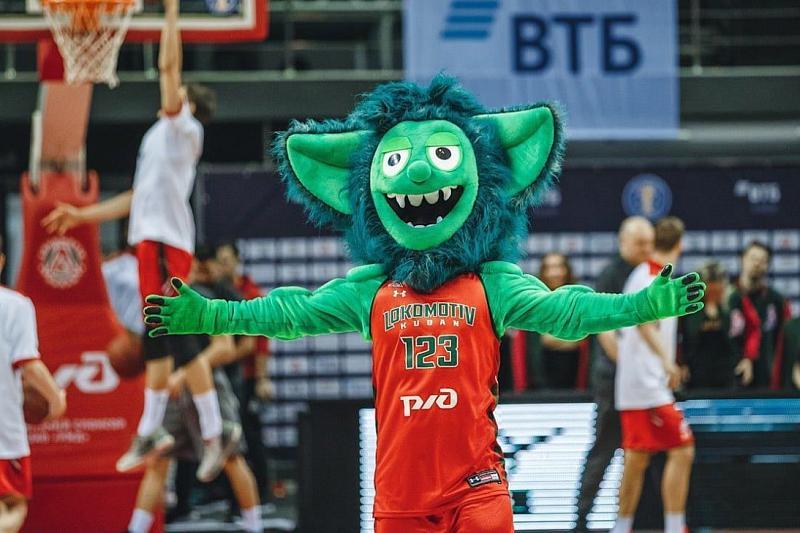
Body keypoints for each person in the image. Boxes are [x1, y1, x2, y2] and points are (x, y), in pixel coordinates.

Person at [140, 77, 705, 532]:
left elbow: (568, 310)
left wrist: (641, 306)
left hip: (478, 487)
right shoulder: (372, 289)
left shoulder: (490, 283)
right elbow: (291, 312)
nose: (417, 173)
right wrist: (212, 314)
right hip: (400, 494)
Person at [40, 0, 231, 482]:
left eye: (177, 91)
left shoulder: (182, 127)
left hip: (165, 244)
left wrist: (171, 12)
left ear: (187, 101)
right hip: (153, 242)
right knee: (156, 339)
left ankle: (215, 431)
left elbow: (168, 66)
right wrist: (81, 215)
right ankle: (151, 429)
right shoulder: (159, 138)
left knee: (177, 336)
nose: (170, 90)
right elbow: (135, 197)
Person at [127, 255, 260, 533]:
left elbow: (225, 348)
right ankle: (136, 529)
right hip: (172, 389)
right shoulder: (155, 301)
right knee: (158, 459)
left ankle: (254, 526)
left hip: (208, 385)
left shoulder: (202, 296)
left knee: (231, 457)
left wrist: (185, 374)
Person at [612, 216, 696, 533]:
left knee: (637, 459)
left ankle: (623, 527)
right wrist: (668, 363)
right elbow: (645, 324)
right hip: (645, 386)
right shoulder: (648, 276)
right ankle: (673, 526)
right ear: (680, 244)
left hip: (641, 383)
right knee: (682, 448)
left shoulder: (650, 274)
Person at [575, 216, 654, 530]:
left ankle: (640, 520)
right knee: (604, 450)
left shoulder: (651, 274)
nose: (647, 249)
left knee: (645, 453)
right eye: (640, 243)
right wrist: (631, 366)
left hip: (645, 381)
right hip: (613, 379)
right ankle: (581, 520)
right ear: (624, 243)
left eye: (650, 243)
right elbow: (604, 330)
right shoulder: (610, 275)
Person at [0, 238, 66, 533]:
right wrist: (56, 399)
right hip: (4, 432)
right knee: (14, 504)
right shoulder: (14, 305)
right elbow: (29, 364)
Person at [216, 241, 273, 500]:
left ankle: (262, 493)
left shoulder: (251, 293)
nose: (222, 267)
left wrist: (261, 378)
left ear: (237, 261)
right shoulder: (218, 292)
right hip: (227, 376)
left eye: (226, 261)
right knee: (229, 436)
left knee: (249, 435)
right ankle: (232, 497)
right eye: (219, 262)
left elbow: (259, 343)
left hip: (247, 378)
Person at [729, 241, 793, 389]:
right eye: (753, 258)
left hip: (766, 379)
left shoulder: (777, 301)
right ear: (742, 259)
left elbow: (786, 340)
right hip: (730, 377)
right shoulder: (728, 297)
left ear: (768, 265)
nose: (757, 264)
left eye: (762, 260)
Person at [523, 253, 588, 389]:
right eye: (550, 267)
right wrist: (571, 337)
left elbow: (582, 339)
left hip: (576, 372)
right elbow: (545, 340)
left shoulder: (579, 299)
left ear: (567, 270)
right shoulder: (534, 301)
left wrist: (559, 338)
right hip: (542, 375)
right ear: (543, 272)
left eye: (559, 266)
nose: (555, 273)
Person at [679, 261, 738, 389]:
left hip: (726, 371)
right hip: (697, 372)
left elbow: (737, 337)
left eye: (718, 283)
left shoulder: (731, 306)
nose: (714, 288)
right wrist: (682, 364)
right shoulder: (689, 309)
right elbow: (684, 338)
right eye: (709, 283)